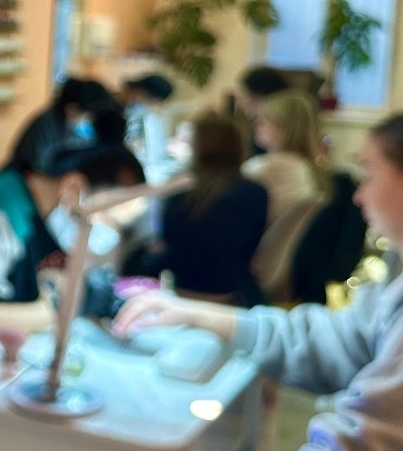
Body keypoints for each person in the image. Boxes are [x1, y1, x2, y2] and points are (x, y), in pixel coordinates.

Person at [114, 113, 403, 450]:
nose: (358, 196)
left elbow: (365, 441)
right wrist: (200, 315)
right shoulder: (394, 284)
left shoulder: (185, 195)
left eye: (368, 175)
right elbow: (334, 341)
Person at [0, 144, 145, 327]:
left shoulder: (46, 214)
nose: (105, 231)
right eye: (106, 219)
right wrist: (58, 306)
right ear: (73, 187)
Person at [155, 112, 269, 305]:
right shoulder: (257, 192)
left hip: (183, 289)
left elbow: (168, 241)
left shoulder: (180, 191)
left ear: (196, 146)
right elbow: (250, 247)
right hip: (232, 290)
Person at [244, 90, 327, 225]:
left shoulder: (267, 167)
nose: (255, 126)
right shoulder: (304, 165)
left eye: (263, 121)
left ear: (282, 127)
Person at [5, 78, 117, 173]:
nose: (89, 121)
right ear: (71, 109)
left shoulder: (76, 130)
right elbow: (38, 169)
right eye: (88, 116)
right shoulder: (46, 126)